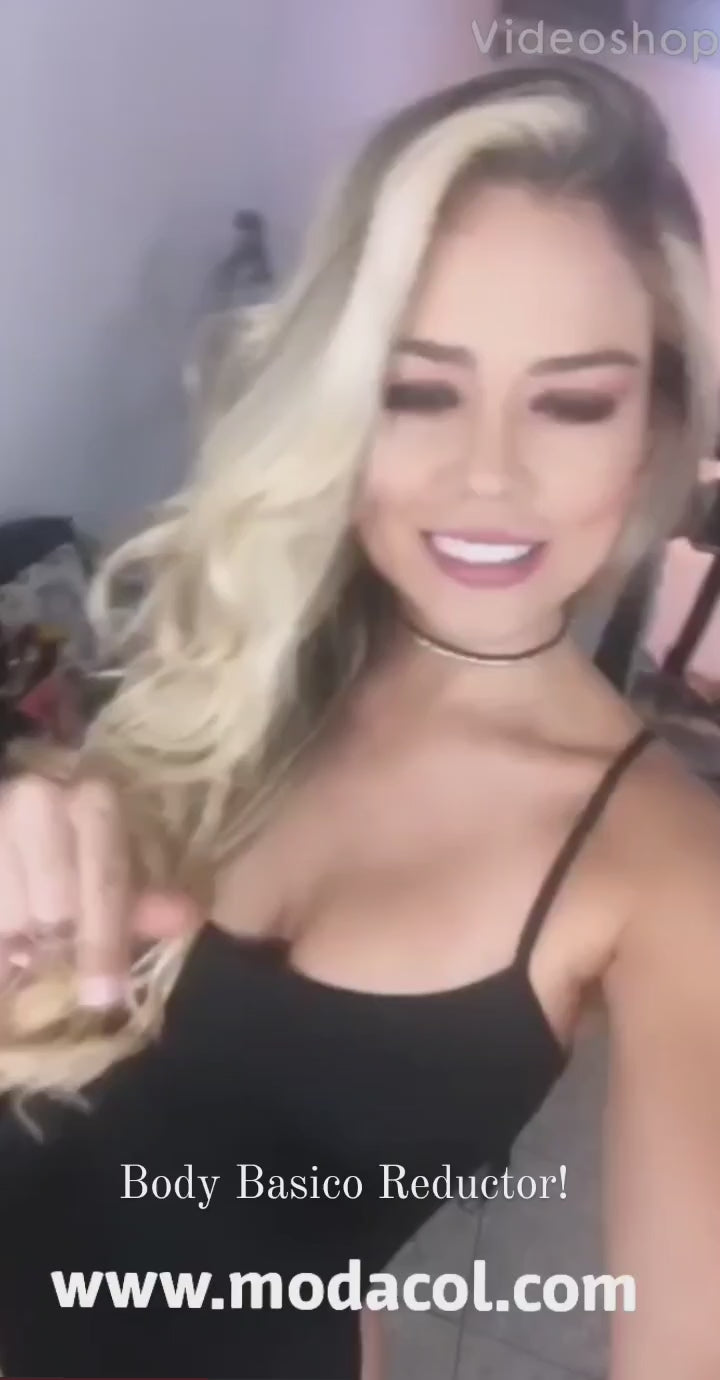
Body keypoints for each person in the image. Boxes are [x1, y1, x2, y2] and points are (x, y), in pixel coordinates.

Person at [0, 56, 719, 1380]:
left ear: (654, 426)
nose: (489, 475)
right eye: (416, 388)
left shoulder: (666, 869)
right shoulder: (248, 657)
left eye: (572, 402)